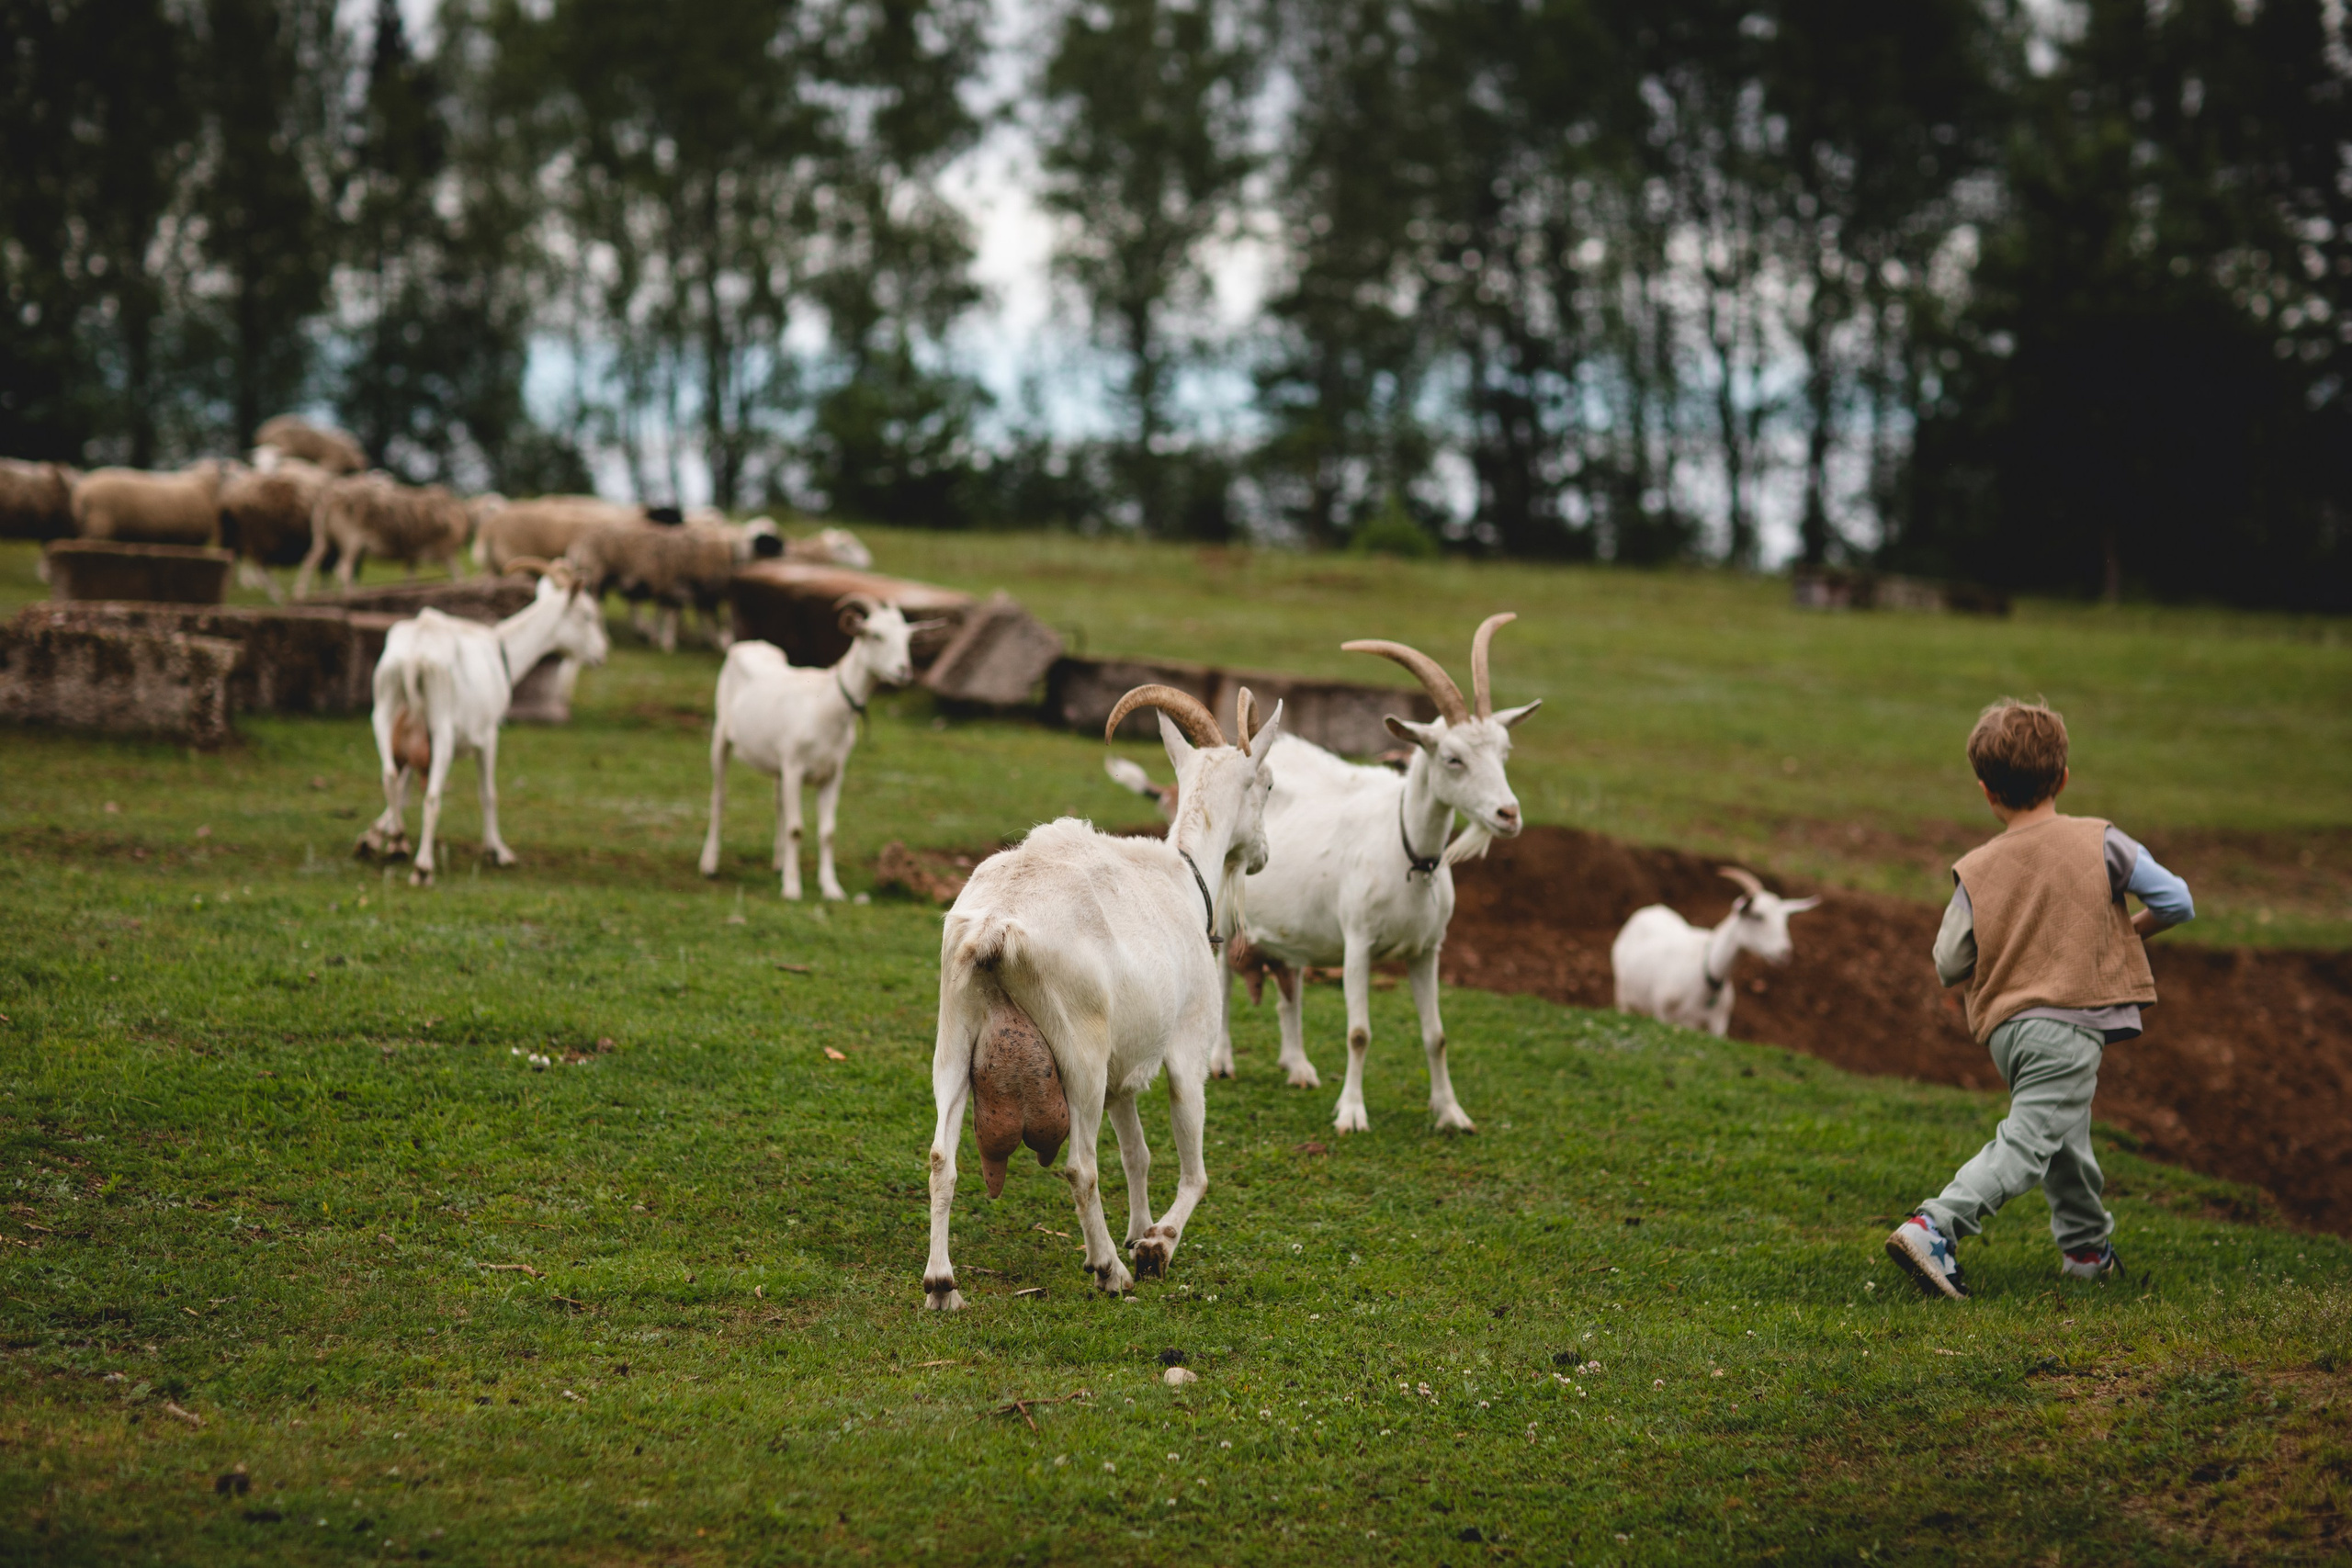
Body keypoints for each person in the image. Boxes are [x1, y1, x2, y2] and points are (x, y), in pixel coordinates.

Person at [1885, 698, 2195, 1301]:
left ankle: (2086, 1251)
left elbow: (1949, 961)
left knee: (2063, 1133)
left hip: (2008, 1030)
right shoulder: (2100, 841)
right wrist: (2125, 930)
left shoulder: (1977, 867)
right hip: (2069, 1024)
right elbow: (2178, 900)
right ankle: (1934, 1226)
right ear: (2063, 778)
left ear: (1985, 791)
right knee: (2029, 1140)